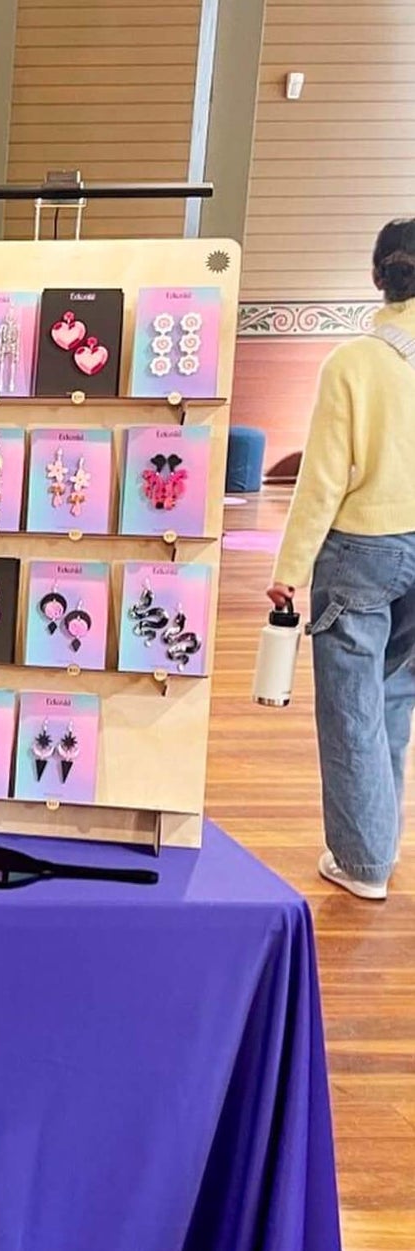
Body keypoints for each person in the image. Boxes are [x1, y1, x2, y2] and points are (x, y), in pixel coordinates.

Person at [269, 216, 415, 900]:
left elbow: (323, 479)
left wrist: (289, 571)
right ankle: (377, 846)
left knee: (352, 707)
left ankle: (363, 863)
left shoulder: (354, 362)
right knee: (394, 696)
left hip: (362, 550)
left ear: (377, 277)